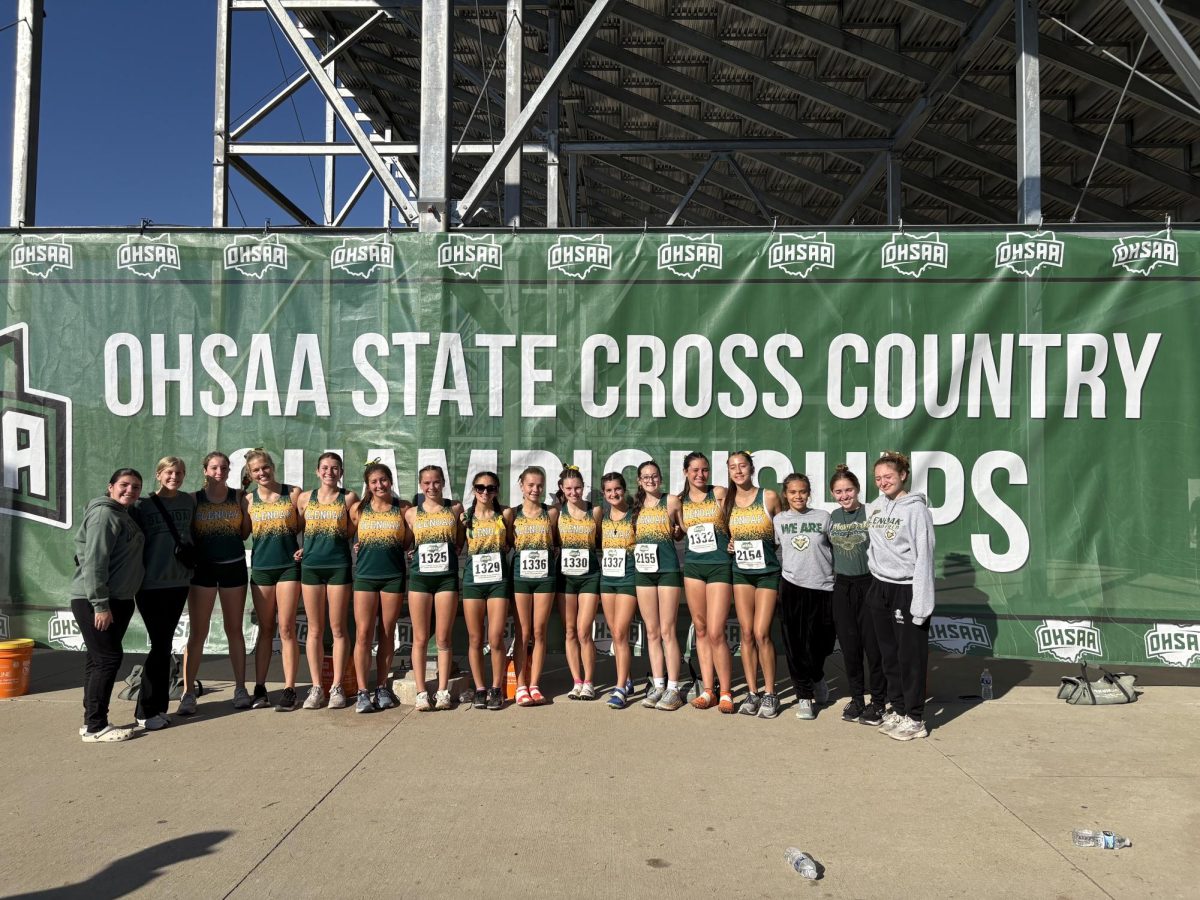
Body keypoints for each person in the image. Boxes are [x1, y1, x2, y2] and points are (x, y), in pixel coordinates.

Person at [71, 468, 145, 742]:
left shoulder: (121, 514)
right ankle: (96, 726)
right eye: (124, 485)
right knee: (107, 659)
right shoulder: (104, 515)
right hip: (100, 599)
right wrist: (100, 605)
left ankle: (91, 721)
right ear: (110, 486)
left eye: (136, 487)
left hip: (117, 598)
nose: (130, 491)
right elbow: (95, 562)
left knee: (97, 659)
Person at [867, 451, 936, 742]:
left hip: (908, 589)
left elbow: (924, 557)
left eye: (889, 477)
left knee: (911, 657)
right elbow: (875, 546)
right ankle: (898, 708)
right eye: (878, 478)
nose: (883, 482)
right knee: (889, 655)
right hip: (880, 587)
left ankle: (916, 718)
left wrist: (921, 605)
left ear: (903, 475)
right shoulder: (875, 507)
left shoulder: (916, 510)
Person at [181, 452, 252, 714]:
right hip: (203, 572)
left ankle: (241, 688)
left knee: (234, 629)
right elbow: (187, 534)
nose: (219, 471)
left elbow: (244, 533)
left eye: (223, 467)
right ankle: (188, 693)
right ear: (205, 470)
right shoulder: (193, 499)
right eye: (214, 467)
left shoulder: (239, 497)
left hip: (233, 567)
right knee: (198, 632)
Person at [133, 457, 196, 730]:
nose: (175, 476)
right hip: (149, 585)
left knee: (165, 643)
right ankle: (145, 710)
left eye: (179, 473)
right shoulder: (142, 506)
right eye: (169, 472)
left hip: (178, 582)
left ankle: (157, 707)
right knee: (159, 645)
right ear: (158, 475)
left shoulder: (188, 502)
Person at [296, 452, 359, 710]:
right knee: (314, 628)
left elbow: (352, 530)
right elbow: (297, 527)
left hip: (338, 567)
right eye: (325, 468)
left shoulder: (348, 498)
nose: (329, 472)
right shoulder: (304, 498)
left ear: (341, 471)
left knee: (338, 628)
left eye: (335, 468)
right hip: (311, 568)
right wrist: (303, 549)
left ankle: (337, 687)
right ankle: (316, 687)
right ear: (317, 471)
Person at [243, 449, 303, 712]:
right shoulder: (247, 500)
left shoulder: (293, 493)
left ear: (272, 467)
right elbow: (243, 531)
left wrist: (306, 548)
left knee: (287, 628)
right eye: (256, 470)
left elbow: (306, 525)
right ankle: (260, 687)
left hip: (289, 567)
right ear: (250, 474)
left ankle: (290, 689)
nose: (262, 473)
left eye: (265, 467)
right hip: (262, 570)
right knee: (266, 629)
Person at [724, 451, 783, 718]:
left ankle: (771, 694)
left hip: (767, 573)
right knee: (746, 634)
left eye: (743, 466)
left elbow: (784, 531)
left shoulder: (768, 496)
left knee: (762, 633)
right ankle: (752, 691)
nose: (738, 471)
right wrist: (731, 544)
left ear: (751, 468)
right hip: (741, 574)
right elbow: (726, 534)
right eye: (733, 467)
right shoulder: (726, 501)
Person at [828, 464, 886, 726]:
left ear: (858, 489)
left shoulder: (871, 512)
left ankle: (878, 701)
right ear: (833, 494)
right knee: (850, 648)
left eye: (848, 490)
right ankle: (857, 699)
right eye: (839, 491)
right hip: (842, 587)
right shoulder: (832, 518)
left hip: (869, 584)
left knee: (873, 648)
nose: (844, 495)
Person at [774, 473, 835, 721]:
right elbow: (774, 549)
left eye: (802, 491)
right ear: (785, 495)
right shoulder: (779, 520)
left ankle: (818, 675)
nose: (798, 496)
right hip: (792, 587)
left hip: (823, 587)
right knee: (795, 645)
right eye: (792, 492)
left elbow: (838, 548)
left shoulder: (823, 517)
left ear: (809, 493)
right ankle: (804, 695)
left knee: (821, 644)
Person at [348, 460, 408, 714]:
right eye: (374, 482)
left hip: (393, 576)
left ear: (390, 481)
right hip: (365, 577)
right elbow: (348, 535)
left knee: (386, 632)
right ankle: (363, 691)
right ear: (368, 486)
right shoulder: (357, 509)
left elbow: (409, 542)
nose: (379, 485)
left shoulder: (403, 509)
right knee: (363, 634)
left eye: (383, 480)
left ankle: (382, 686)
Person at [404, 465, 463, 711]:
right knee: (419, 637)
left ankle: (441, 691)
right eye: (427, 483)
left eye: (436, 482)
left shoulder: (455, 508)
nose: (432, 487)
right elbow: (407, 541)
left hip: (446, 579)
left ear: (443, 483)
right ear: (421, 485)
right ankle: (420, 692)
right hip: (419, 579)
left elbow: (460, 540)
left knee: (443, 638)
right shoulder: (411, 513)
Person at [679, 452, 735, 713]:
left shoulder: (720, 493)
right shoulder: (678, 502)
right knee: (700, 629)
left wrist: (736, 540)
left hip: (719, 567)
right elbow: (678, 531)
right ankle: (708, 690)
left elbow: (737, 520)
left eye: (705, 470)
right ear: (686, 472)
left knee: (715, 631)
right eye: (695, 471)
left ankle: (726, 691)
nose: (700, 475)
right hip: (693, 569)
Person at [630, 460, 685, 711]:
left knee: (667, 630)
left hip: (667, 571)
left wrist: (677, 532)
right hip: (644, 573)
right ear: (639, 481)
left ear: (660, 478)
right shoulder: (635, 506)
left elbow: (683, 530)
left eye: (654, 476)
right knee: (651, 632)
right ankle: (659, 684)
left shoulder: (672, 501)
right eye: (645, 477)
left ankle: (674, 688)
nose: (650, 480)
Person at [507, 466, 559, 706]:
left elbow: (556, 541)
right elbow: (508, 542)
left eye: (539, 485)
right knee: (523, 632)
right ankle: (520, 686)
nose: (535, 489)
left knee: (539, 631)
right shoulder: (512, 514)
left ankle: (535, 684)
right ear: (521, 486)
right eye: (530, 485)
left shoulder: (552, 513)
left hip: (545, 578)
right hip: (520, 578)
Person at [460, 470, 510, 711]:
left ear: (497, 491)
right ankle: (480, 688)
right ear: (474, 489)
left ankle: (497, 688)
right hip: (473, 581)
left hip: (498, 581)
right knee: (475, 638)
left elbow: (511, 541)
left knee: (496, 637)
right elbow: (456, 545)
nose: (485, 492)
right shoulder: (464, 517)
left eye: (490, 488)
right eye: (480, 487)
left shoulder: (505, 514)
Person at [555, 465, 603, 701]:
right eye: (569, 489)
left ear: (583, 488)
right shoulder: (557, 512)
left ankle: (589, 681)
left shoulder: (594, 511)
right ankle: (576, 681)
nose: (574, 492)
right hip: (565, 578)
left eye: (578, 488)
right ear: (562, 490)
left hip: (589, 576)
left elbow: (603, 540)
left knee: (585, 631)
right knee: (570, 631)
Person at [599, 472, 638, 709]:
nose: (614, 494)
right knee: (614, 633)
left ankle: (620, 687)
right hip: (607, 579)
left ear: (624, 490)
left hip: (628, 578)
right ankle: (628, 678)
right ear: (604, 494)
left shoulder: (635, 516)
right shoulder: (601, 518)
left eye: (617, 489)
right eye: (609, 491)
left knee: (621, 632)